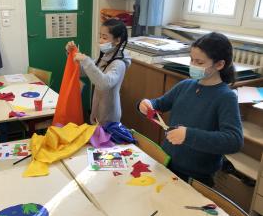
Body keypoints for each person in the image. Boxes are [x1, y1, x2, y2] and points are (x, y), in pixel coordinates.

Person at [138, 32, 243, 187]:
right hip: (166, 161)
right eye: (191, 60)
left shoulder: (226, 97)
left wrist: (189, 135)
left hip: (196, 176)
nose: (193, 65)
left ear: (219, 65)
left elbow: (234, 140)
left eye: (199, 62)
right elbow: (159, 104)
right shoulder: (185, 85)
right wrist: (146, 104)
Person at [66, 19, 131, 125]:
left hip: (109, 118)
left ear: (117, 40)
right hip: (97, 114)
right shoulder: (104, 58)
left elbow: (104, 84)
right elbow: (83, 72)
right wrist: (71, 54)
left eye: (105, 37)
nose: (100, 40)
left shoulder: (119, 64)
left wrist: (86, 60)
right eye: (100, 36)